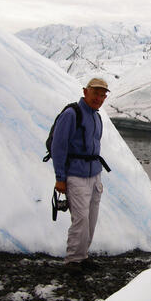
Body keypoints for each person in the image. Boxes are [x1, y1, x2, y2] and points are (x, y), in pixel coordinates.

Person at [51, 78, 110, 269]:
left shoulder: (96, 116)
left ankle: (83, 256)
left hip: (94, 174)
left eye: (103, 95)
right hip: (76, 175)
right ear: (85, 92)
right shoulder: (71, 114)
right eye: (96, 94)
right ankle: (73, 260)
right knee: (81, 219)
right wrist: (60, 178)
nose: (99, 98)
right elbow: (58, 147)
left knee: (91, 218)